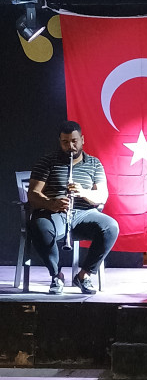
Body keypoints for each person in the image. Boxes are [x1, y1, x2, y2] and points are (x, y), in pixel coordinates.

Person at [28, 121, 119, 294]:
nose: (70, 146)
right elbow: (33, 194)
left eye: (74, 141)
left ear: (82, 139)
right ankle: (56, 275)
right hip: (54, 213)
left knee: (111, 227)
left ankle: (84, 276)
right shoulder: (47, 162)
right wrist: (51, 204)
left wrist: (83, 192)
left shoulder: (94, 163)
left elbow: (102, 196)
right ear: (59, 141)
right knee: (39, 226)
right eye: (65, 142)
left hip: (85, 213)